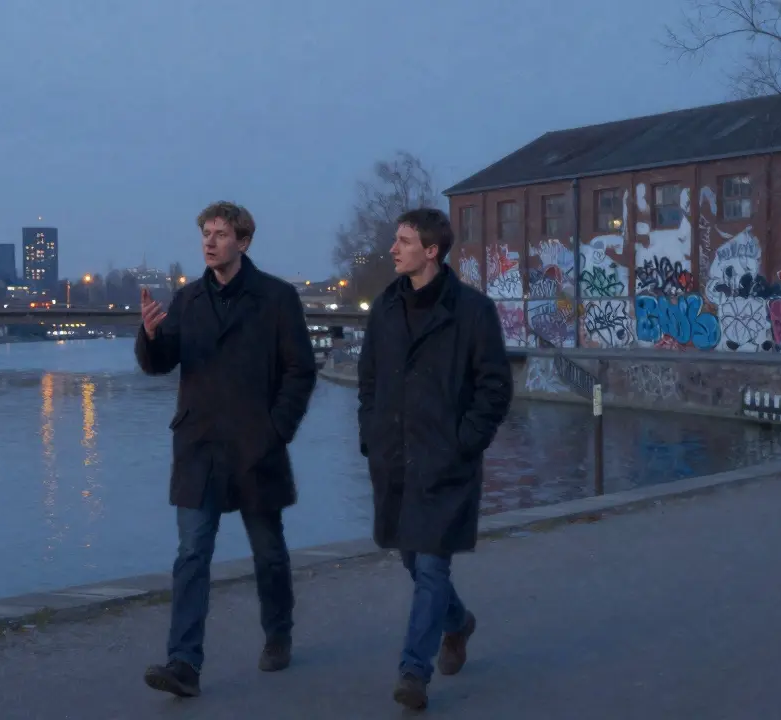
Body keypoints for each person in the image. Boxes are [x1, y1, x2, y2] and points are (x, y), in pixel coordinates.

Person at [136, 201, 317, 698]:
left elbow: (301, 370)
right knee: (192, 554)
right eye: (205, 233)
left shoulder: (277, 298)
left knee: (269, 552)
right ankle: (184, 663)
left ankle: (278, 631)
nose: (210, 242)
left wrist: (276, 429)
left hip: (255, 446)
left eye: (220, 233)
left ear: (243, 241)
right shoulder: (188, 299)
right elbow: (160, 362)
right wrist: (150, 335)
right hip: (198, 446)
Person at [356, 207, 513, 711]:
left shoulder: (472, 311)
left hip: (446, 463)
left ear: (431, 251)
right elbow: (369, 382)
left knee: (429, 565)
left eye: (403, 241)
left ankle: (413, 671)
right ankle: (458, 622)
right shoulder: (384, 308)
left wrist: (463, 442)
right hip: (396, 460)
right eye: (395, 239)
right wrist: (370, 435)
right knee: (412, 559)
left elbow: (494, 387)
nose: (393, 249)